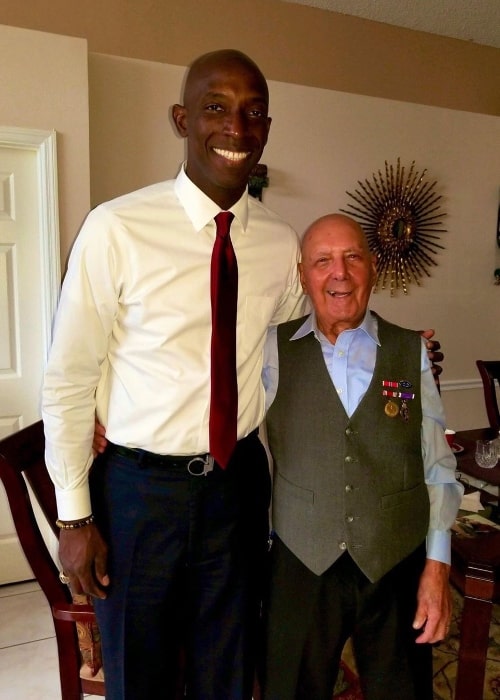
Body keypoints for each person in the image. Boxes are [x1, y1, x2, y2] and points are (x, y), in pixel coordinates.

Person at [42, 49, 444, 700]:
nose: (236, 126)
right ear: (182, 120)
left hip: (237, 492)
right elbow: (66, 377)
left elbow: (312, 339)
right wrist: (73, 520)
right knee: (140, 675)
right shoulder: (115, 229)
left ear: (266, 130)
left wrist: (398, 350)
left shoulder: (280, 244)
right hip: (141, 493)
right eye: (215, 108)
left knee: (227, 672)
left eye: (253, 113)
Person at [260, 213, 463, 700]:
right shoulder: (268, 350)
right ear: (303, 274)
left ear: (372, 267)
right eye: (323, 261)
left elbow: (437, 465)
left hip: (395, 559)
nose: (340, 273)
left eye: (353, 257)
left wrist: (437, 568)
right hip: (301, 559)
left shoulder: (411, 350)